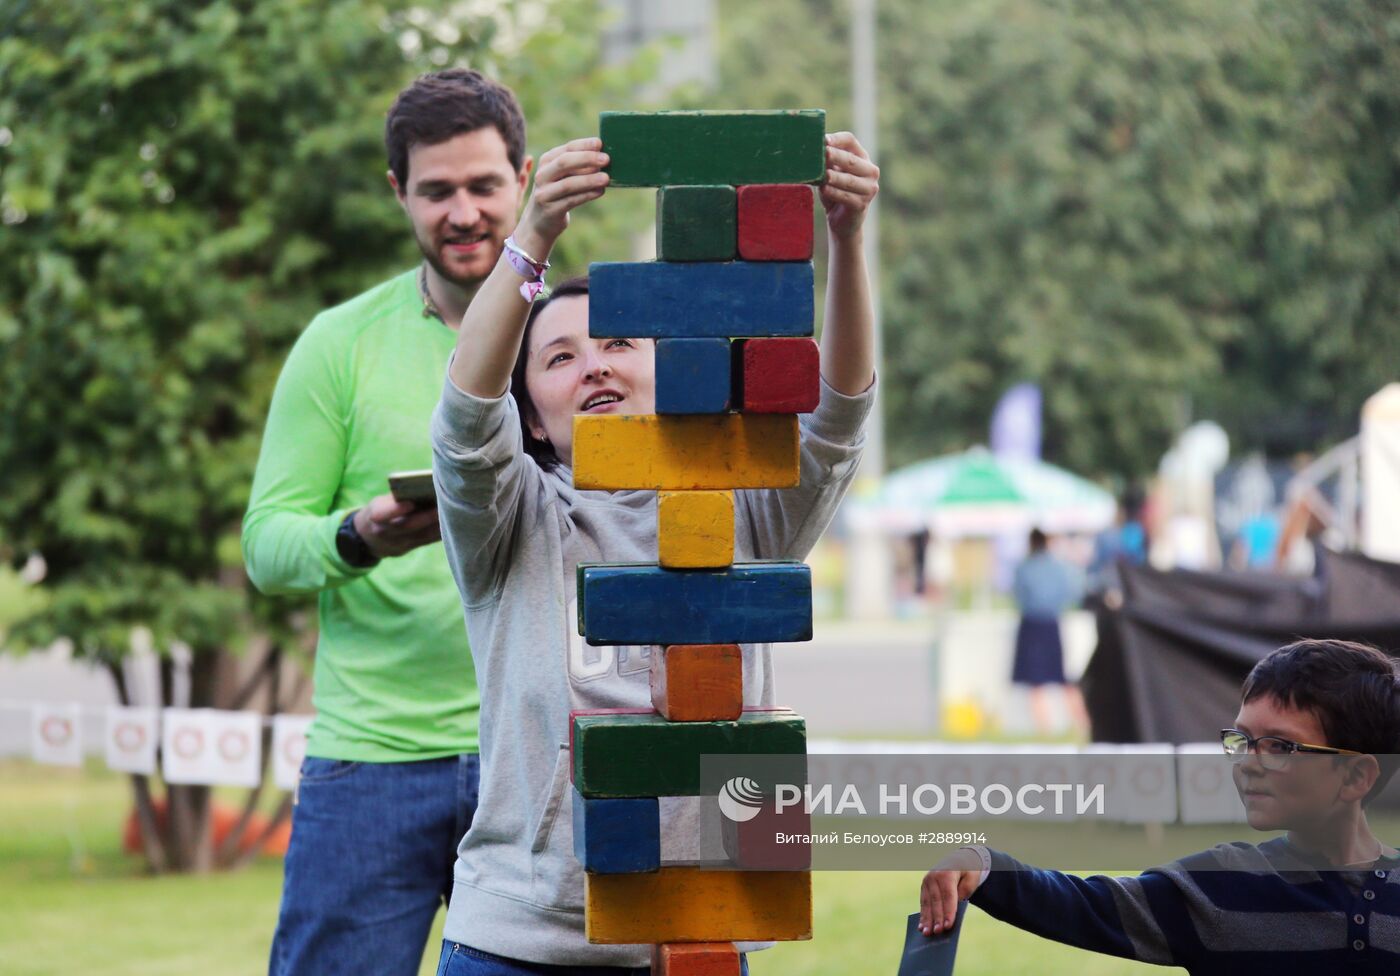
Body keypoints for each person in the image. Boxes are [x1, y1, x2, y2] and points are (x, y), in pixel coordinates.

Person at [429, 131, 880, 971]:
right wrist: (531, 236)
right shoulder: (511, 520)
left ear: (667, 370)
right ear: (530, 414)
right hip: (520, 943)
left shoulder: (744, 506)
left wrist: (847, 240)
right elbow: (463, 420)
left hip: (694, 933)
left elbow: (838, 415)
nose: (593, 366)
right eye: (559, 358)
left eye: (618, 343)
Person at [242, 69, 533, 975]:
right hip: (371, 763)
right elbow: (266, 546)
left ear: (522, 181)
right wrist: (356, 535)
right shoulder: (341, 343)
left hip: (535, 755)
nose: (463, 212)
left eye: (483, 186)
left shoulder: (576, 335)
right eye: (436, 190)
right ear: (397, 192)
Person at [919, 638, 1400, 974]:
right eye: (1242, 739)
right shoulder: (1218, 887)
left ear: (1357, 775)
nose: (1249, 763)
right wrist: (982, 866)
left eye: (1280, 747)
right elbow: (1089, 906)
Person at [1011, 527, 1088, 735]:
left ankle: (1045, 728)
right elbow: (1071, 593)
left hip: (1033, 624)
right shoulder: (1058, 567)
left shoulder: (1025, 568)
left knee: (1037, 681)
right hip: (1051, 623)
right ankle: (1082, 723)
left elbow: (1019, 596)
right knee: (1061, 678)